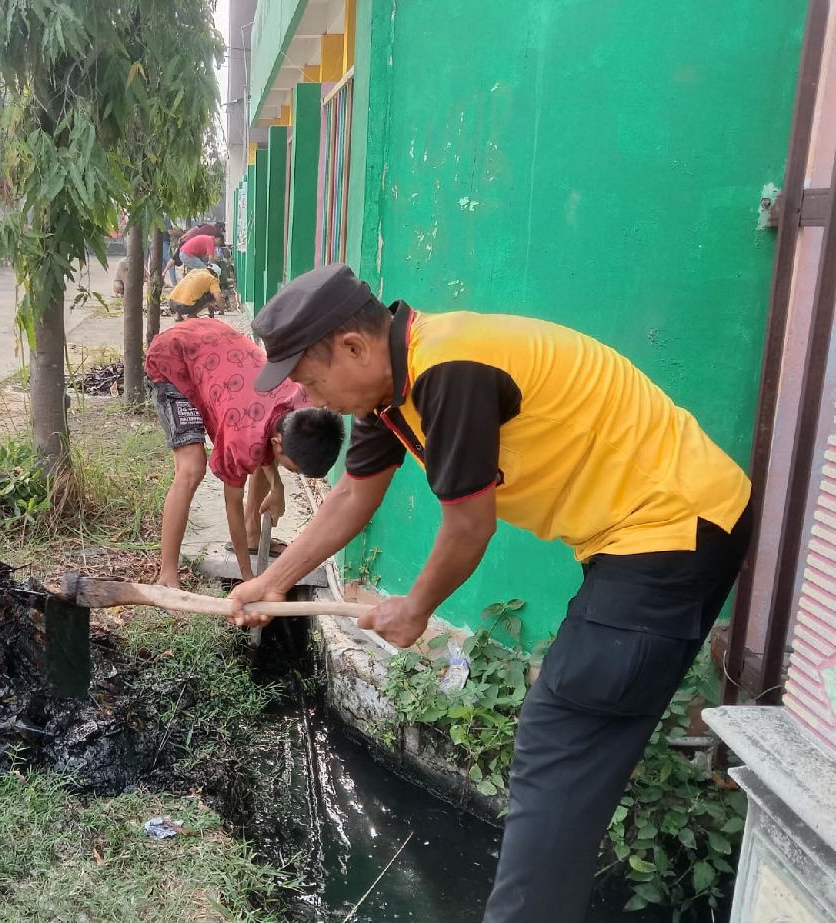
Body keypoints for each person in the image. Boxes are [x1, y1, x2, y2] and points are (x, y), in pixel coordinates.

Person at [228, 263, 752, 923]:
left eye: (308, 378)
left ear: (354, 348)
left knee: (562, 738)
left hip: (671, 530)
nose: (311, 398)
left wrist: (414, 607)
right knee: (574, 745)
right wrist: (270, 582)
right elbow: (353, 495)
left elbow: (469, 523)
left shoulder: (448, 370)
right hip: (653, 532)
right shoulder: (390, 390)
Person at [145, 316, 344, 588]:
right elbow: (232, 504)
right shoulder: (242, 438)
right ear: (278, 441)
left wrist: (278, 488)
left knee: (257, 451)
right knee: (191, 469)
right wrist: (247, 576)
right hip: (176, 357)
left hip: (216, 347)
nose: (292, 472)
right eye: (293, 468)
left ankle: (254, 536)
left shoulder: (304, 400)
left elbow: (267, 444)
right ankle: (167, 574)